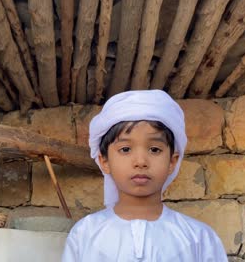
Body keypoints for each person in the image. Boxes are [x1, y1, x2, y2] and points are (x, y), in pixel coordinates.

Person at [62, 90, 227, 261]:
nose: (140, 161)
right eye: (125, 149)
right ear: (104, 161)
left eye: (154, 150)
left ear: (172, 161)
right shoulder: (85, 234)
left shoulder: (199, 238)